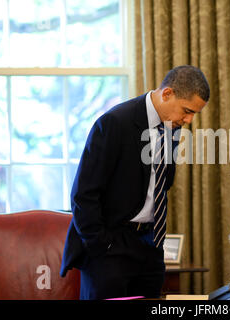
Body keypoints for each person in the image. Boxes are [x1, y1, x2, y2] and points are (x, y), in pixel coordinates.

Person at [60, 65, 210, 300]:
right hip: (111, 247)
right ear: (167, 93)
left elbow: (161, 184)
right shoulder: (114, 123)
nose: (189, 120)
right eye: (187, 110)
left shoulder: (171, 126)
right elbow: (83, 195)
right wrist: (102, 246)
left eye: (194, 114)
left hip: (150, 245)